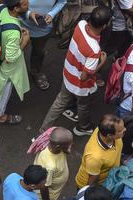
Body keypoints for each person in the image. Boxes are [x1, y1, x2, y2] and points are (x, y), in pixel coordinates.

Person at [39, 7, 110, 136]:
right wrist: (102, 62)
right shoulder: (94, 50)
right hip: (81, 85)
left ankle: (43, 130)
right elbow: (84, 77)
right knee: (83, 106)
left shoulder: (81, 25)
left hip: (68, 72)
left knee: (60, 102)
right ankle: (83, 127)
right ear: (104, 26)